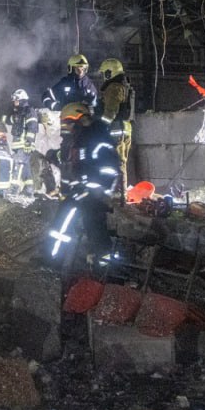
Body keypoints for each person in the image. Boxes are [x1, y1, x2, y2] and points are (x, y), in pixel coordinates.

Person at [47, 102, 120, 261]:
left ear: (80, 120)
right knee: (91, 227)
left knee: (83, 224)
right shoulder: (82, 140)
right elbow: (77, 164)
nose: (67, 128)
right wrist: (54, 156)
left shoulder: (97, 139)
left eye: (69, 124)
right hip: (83, 191)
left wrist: (95, 189)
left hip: (94, 194)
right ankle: (97, 262)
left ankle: (53, 260)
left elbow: (110, 169)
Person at [97, 58, 135, 195]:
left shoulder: (113, 87)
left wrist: (100, 126)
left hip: (115, 129)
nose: (103, 77)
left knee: (114, 161)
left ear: (109, 73)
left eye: (104, 73)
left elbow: (111, 111)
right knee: (121, 163)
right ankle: (121, 193)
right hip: (126, 128)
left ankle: (118, 194)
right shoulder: (125, 86)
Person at [4, 88, 39, 195]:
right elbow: (9, 120)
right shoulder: (18, 113)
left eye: (16, 99)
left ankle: (14, 189)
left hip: (24, 144)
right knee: (25, 168)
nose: (14, 102)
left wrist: (29, 142)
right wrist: (0, 116)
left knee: (18, 165)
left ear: (22, 99)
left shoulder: (29, 111)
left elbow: (32, 127)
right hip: (18, 145)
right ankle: (29, 189)